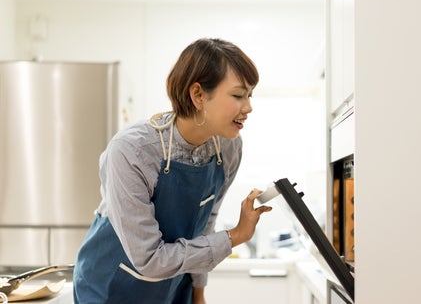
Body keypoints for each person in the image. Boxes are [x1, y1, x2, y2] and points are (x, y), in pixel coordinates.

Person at [73, 38, 272, 304]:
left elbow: (204, 226)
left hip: (172, 289)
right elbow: (149, 259)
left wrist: (198, 293)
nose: (248, 107)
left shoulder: (229, 148)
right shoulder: (133, 151)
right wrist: (235, 236)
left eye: (249, 95)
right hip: (110, 291)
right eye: (238, 95)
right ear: (198, 95)